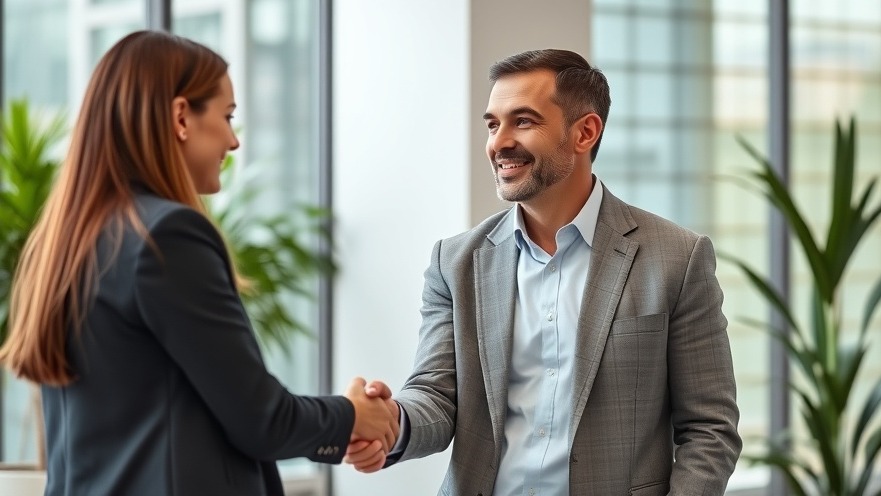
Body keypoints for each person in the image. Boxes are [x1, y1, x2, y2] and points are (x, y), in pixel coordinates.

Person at [0, 30, 396, 496]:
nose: (233, 141)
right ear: (181, 116)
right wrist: (352, 415)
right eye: (227, 116)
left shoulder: (67, 241)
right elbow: (260, 418)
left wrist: (337, 430)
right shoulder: (166, 234)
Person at [345, 49, 742, 495]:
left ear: (585, 132)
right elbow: (436, 396)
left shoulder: (677, 259)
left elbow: (710, 429)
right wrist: (391, 423)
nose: (499, 142)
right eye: (493, 124)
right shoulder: (453, 262)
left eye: (524, 121)